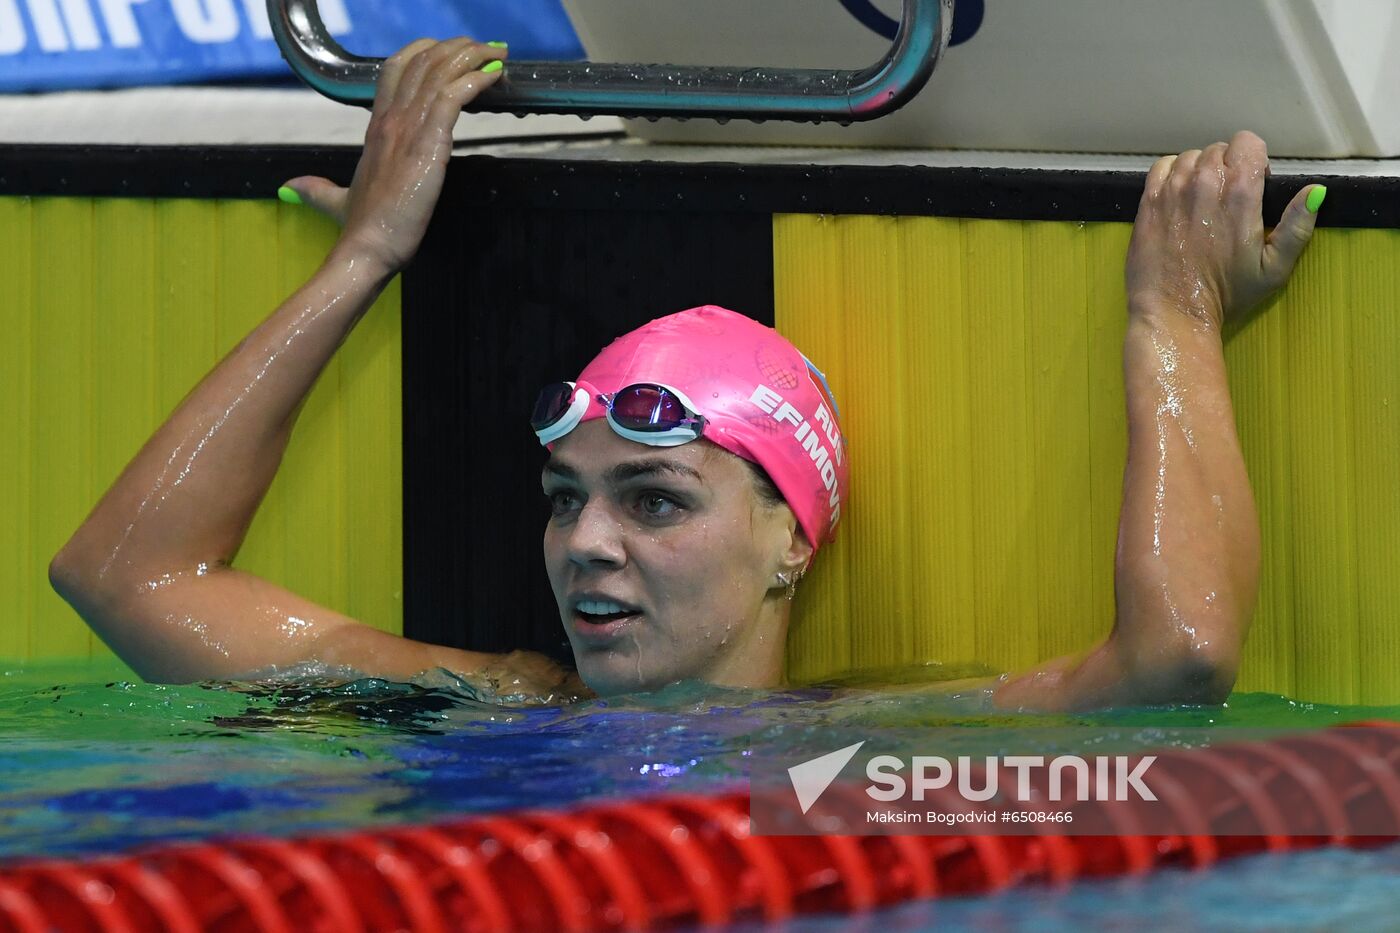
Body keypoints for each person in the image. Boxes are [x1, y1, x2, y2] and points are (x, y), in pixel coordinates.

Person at [48, 39, 1325, 711]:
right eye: (565, 496)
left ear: (789, 538)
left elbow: (1176, 664)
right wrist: (368, 254)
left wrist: (1175, 316)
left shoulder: (862, 752)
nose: (583, 544)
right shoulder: (495, 705)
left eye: (651, 498)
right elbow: (122, 579)